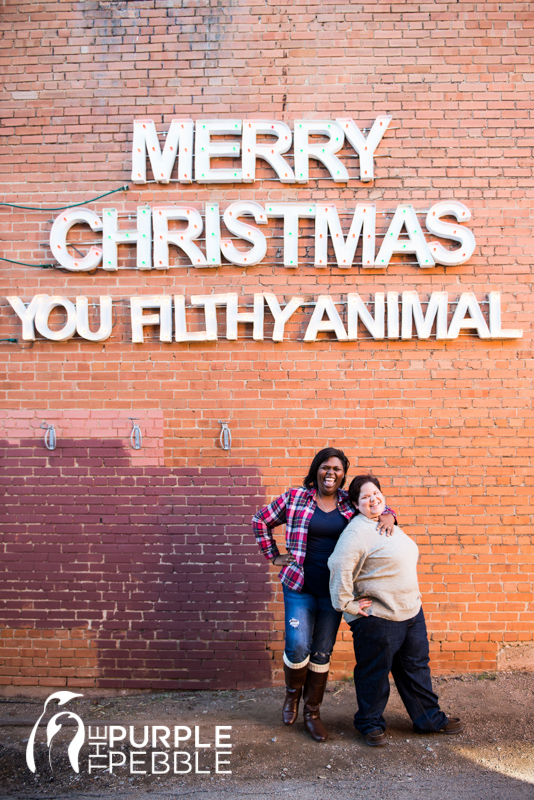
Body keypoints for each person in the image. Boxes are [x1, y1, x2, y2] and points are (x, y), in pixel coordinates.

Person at [252, 449, 396, 742]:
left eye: (338, 469)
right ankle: (292, 696)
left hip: (333, 592)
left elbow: (374, 506)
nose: (331, 472)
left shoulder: (347, 502)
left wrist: (391, 516)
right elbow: (260, 521)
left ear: (343, 475)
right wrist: (274, 555)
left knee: (321, 652)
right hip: (299, 587)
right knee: (297, 646)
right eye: (325, 467)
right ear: (316, 469)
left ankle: (312, 712)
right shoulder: (295, 498)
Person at [328, 474, 463, 747]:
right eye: (365, 497)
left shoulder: (384, 521)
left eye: (376, 493)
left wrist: (389, 515)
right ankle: (370, 724)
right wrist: (346, 604)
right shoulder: (357, 532)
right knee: (374, 674)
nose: (373, 499)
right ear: (355, 504)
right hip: (379, 618)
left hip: (411, 612)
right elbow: (338, 564)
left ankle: (429, 719)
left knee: (416, 669)